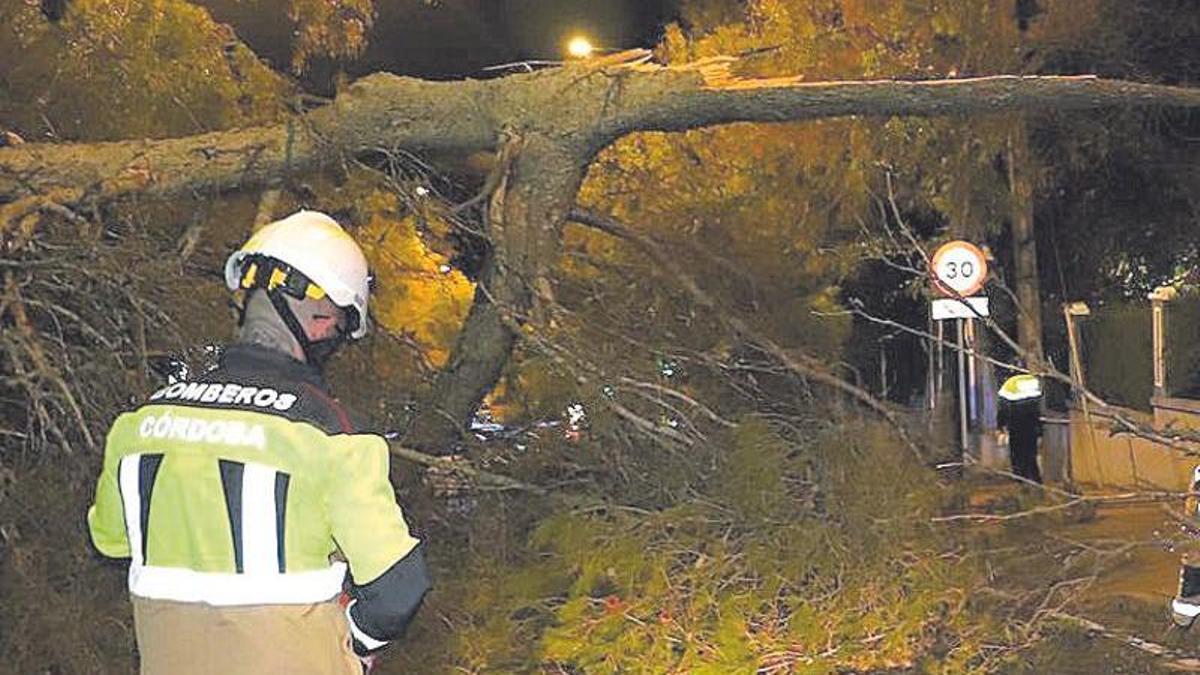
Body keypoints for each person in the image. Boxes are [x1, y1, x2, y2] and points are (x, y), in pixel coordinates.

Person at [87, 210, 430, 674]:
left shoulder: (140, 425)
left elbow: (110, 541)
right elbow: (399, 589)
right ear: (321, 317)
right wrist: (356, 640)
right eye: (338, 328)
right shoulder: (327, 438)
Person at [997, 373, 1043, 483]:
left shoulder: (1009, 385)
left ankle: (1021, 481)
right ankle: (1036, 481)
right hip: (1031, 426)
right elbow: (1038, 408)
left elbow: (1003, 408)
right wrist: (1040, 431)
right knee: (1031, 455)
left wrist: (1000, 426)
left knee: (1017, 456)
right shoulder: (1032, 381)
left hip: (1016, 426)